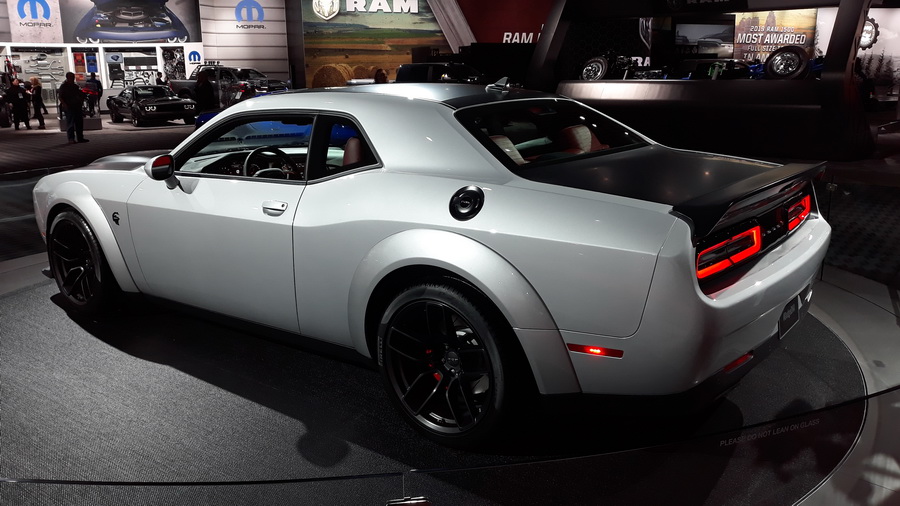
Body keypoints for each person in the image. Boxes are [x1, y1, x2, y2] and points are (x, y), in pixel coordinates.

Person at [58, 72, 88, 144]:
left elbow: (79, 94)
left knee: (79, 123)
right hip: (69, 106)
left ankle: (80, 137)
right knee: (70, 123)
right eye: (71, 77)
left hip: (77, 106)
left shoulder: (75, 86)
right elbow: (60, 97)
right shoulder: (64, 86)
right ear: (67, 77)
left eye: (73, 77)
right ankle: (71, 138)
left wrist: (81, 99)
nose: (72, 78)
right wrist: (65, 105)